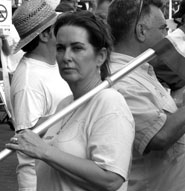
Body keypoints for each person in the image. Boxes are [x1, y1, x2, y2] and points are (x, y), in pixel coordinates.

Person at [6, 10, 135, 191]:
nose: (66, 57)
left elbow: (111, 179)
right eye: (60, 48)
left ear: (101, 56)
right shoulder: (65, 104)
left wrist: (44, 151)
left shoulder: (109, 102)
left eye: (77, 48)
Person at [107, 0, 185, 191]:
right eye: (162, 29)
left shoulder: (138, 71)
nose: (167, 36)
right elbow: (159, 136)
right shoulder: (121, 80)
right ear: (141, 31)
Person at [10, 0, 72, 190]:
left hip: (55, 177)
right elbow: (27, 134)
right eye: (58, 26)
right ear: (45, 35)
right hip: (37, 183)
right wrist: (74, 110)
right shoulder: (28, 80)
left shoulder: (54, 63)